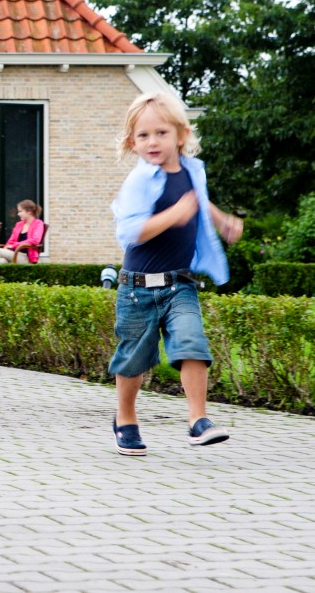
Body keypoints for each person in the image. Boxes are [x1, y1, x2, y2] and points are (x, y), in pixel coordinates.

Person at [109, 92, 243, 456]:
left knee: (192, 344)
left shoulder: (192, 170)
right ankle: (125, 418)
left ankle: (198, 421)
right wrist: (173, 217)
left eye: (161, 133)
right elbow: (129, 232)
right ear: (132, 142)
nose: (153, 142)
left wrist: (221, 220)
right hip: (138, 288)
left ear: (180, 135)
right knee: (133, 360)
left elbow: (197, 198)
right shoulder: (139, 182)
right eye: (143, 135)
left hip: (180, 283)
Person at [0, 200, 45, 264]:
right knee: (2, 261)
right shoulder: (19, 224)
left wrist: (15, 245)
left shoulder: (38, 223)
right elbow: (11, 240)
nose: (18, 214)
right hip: (14, 254)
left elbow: (35, 240)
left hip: (27, 257)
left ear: (29, 212)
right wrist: (6, 247)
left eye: (20, 211)